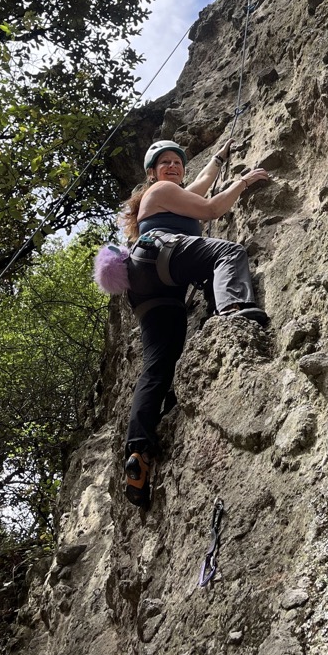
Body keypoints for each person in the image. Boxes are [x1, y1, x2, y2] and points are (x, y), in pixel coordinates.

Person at [119, 138, 271, 508]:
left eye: (177, 162)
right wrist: (245, 181)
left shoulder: (171, 194)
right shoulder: (162, 190)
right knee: (228, 252)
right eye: (165, 163)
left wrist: (219, 158)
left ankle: (138, 455)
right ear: (152, 173)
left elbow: (201, 184)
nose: (172, 167)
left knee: (157, 367)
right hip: (161, 255)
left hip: (148, 286)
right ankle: (233, 309)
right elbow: (212, 208)